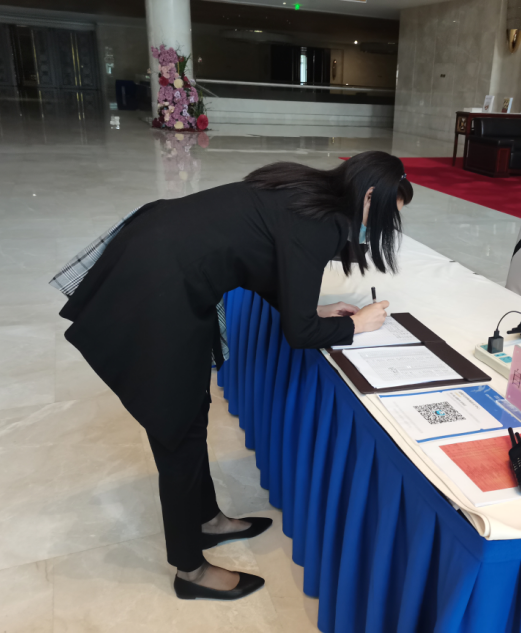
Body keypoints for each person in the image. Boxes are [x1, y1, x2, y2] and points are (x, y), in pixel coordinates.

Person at [51, 151, 413, 601]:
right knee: (176, 430)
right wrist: (355, 325)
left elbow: (261, 260)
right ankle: (190, 570)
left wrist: (313, 310)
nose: (378, 228)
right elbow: (300, 335)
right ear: (370, 195)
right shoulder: (322, 223)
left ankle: (208, 520)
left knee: (192, 410)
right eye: (384, 215)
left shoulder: (302, 188)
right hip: (157, 283)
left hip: (162, 255)